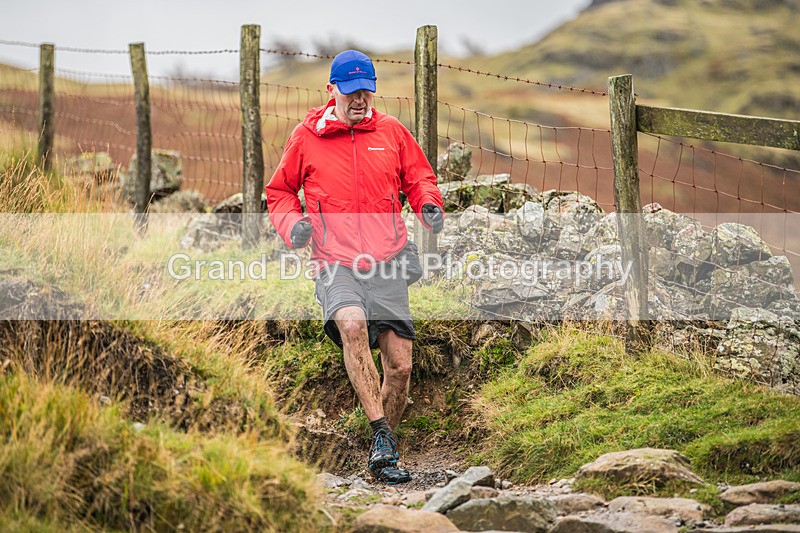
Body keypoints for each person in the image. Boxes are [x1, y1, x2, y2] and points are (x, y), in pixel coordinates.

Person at [265, 50, 445, 484]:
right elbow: (280, 193)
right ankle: (381, 432)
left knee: (400, 366)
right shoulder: (307, 137)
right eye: (350, 91)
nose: (360, 99)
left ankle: (385, 451)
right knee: (350, 324)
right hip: (334, 260)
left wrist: (427, 204)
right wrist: (295, 227)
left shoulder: (392, 132)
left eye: (366, 90)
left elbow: (419, 178)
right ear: (332, 90)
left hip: (387, 260)